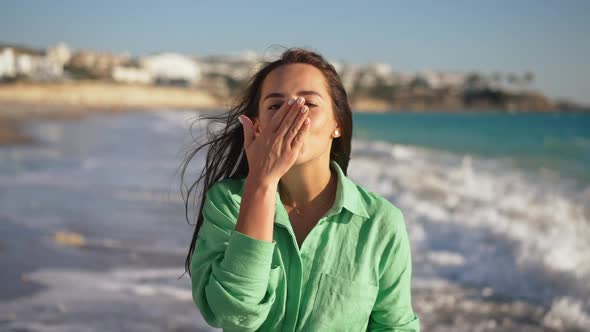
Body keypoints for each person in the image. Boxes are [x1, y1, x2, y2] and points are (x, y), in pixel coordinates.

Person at [180, 47, 420, 331]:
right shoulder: (228, 202)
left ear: (337, 123)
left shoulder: (380, 222)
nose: (292, 117)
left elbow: (395, 326)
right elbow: (232, 313)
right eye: (275, 106)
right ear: (256, 126)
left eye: (309, 103)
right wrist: (262, 182)